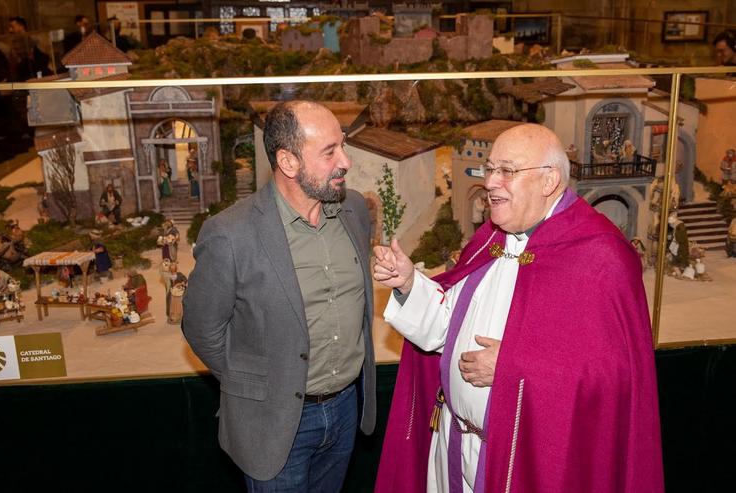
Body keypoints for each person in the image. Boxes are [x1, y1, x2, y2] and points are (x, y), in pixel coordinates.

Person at [373, 123, 663, 492]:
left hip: (526, 464)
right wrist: (409, 284)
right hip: (452, 443)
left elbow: (612, 380)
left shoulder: (601, 256)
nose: (491, 182)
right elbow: (448, 327)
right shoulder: (490, 238)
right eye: (490, 169)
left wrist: (513, 368)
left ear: (549, 180)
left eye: (506, 171)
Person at [183, 100, 376, 490]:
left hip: (344, 411)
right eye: (329, 151)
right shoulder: (230, 234)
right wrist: (260, 384)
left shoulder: (354, 210)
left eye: (343, 145)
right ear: (288, 162)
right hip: (276, 422)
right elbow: (202, 328)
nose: (346, 162)